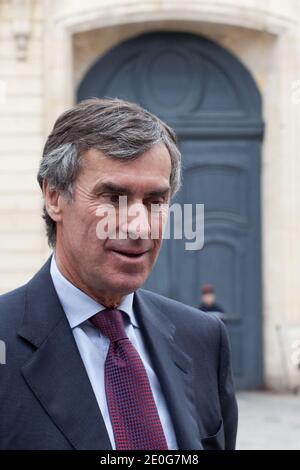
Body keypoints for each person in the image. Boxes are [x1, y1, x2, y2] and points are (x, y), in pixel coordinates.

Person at [0, 98, 238, 450]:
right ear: (54, 196)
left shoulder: (203, 339)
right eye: (113, 197)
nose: (140, 226)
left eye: (156, 202)